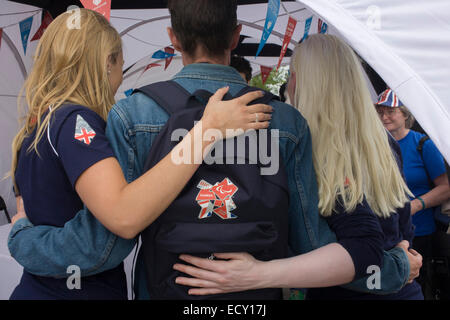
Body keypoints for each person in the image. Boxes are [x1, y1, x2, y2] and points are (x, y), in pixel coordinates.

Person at [9, 2, 418, 300]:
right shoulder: (287, 122)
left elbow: (110, 240)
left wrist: (23, 236)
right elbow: (310, 241)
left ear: (172, 39)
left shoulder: (131, 114)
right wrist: (390, 267)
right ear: (236, 35)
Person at [8, 8, 272, 300]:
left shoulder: (36, 125)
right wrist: (206, 131)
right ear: (107, 63)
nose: (121, 77)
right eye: (121, 64)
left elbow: (32, 209)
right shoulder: (75, 122)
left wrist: (24, 235)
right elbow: (122, 217)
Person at [172, 34, 424, 300]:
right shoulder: (382, 141)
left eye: (292, 73)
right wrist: (401, 262)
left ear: (303, 82)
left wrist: (257, 273)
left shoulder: (320, 148)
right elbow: (401, 225)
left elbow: (361, 252)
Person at [375, 88, 450, 297]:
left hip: (419, 232)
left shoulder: (422, 144)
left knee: (417, 285)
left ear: (405, 114)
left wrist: (414, 206)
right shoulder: (375, 144)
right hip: (385, 232)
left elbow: (445, 188)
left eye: (391, 111)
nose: (384, 117)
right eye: (380, 112)